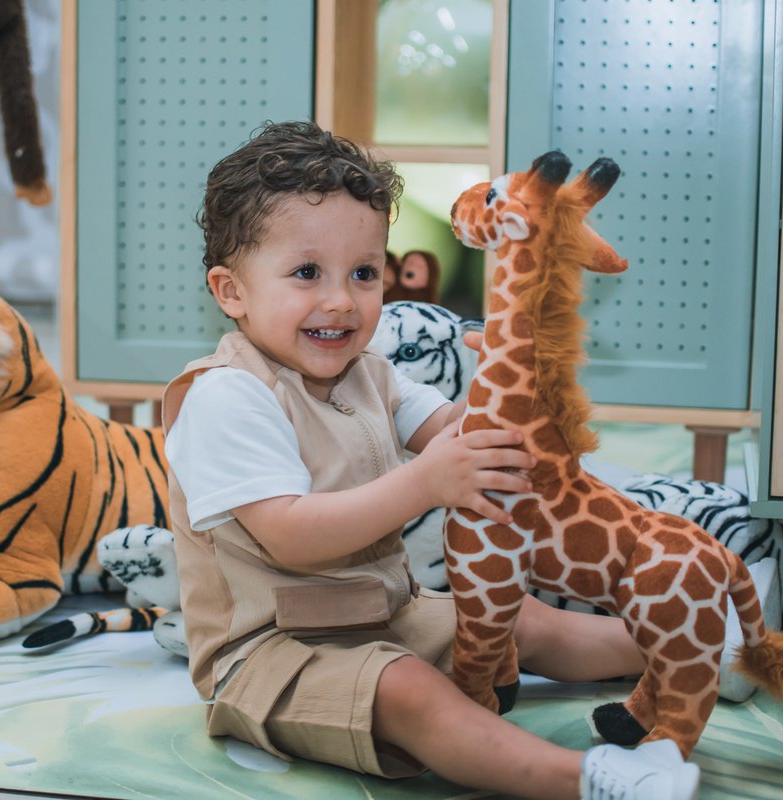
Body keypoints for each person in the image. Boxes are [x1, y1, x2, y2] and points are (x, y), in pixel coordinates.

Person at [160, 120, 700, 800]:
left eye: (363, 273)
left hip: (386, 614)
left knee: (516, 617)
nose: (341, 300)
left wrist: (506, 378)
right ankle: (592, 781)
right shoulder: (225, 396)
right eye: (306, 273)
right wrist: (425, 482)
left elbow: (456, 431)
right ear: (231, 291)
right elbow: (291, 534)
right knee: (408, 688)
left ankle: (695, 649)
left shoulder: (370, 371)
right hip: (273, 655)